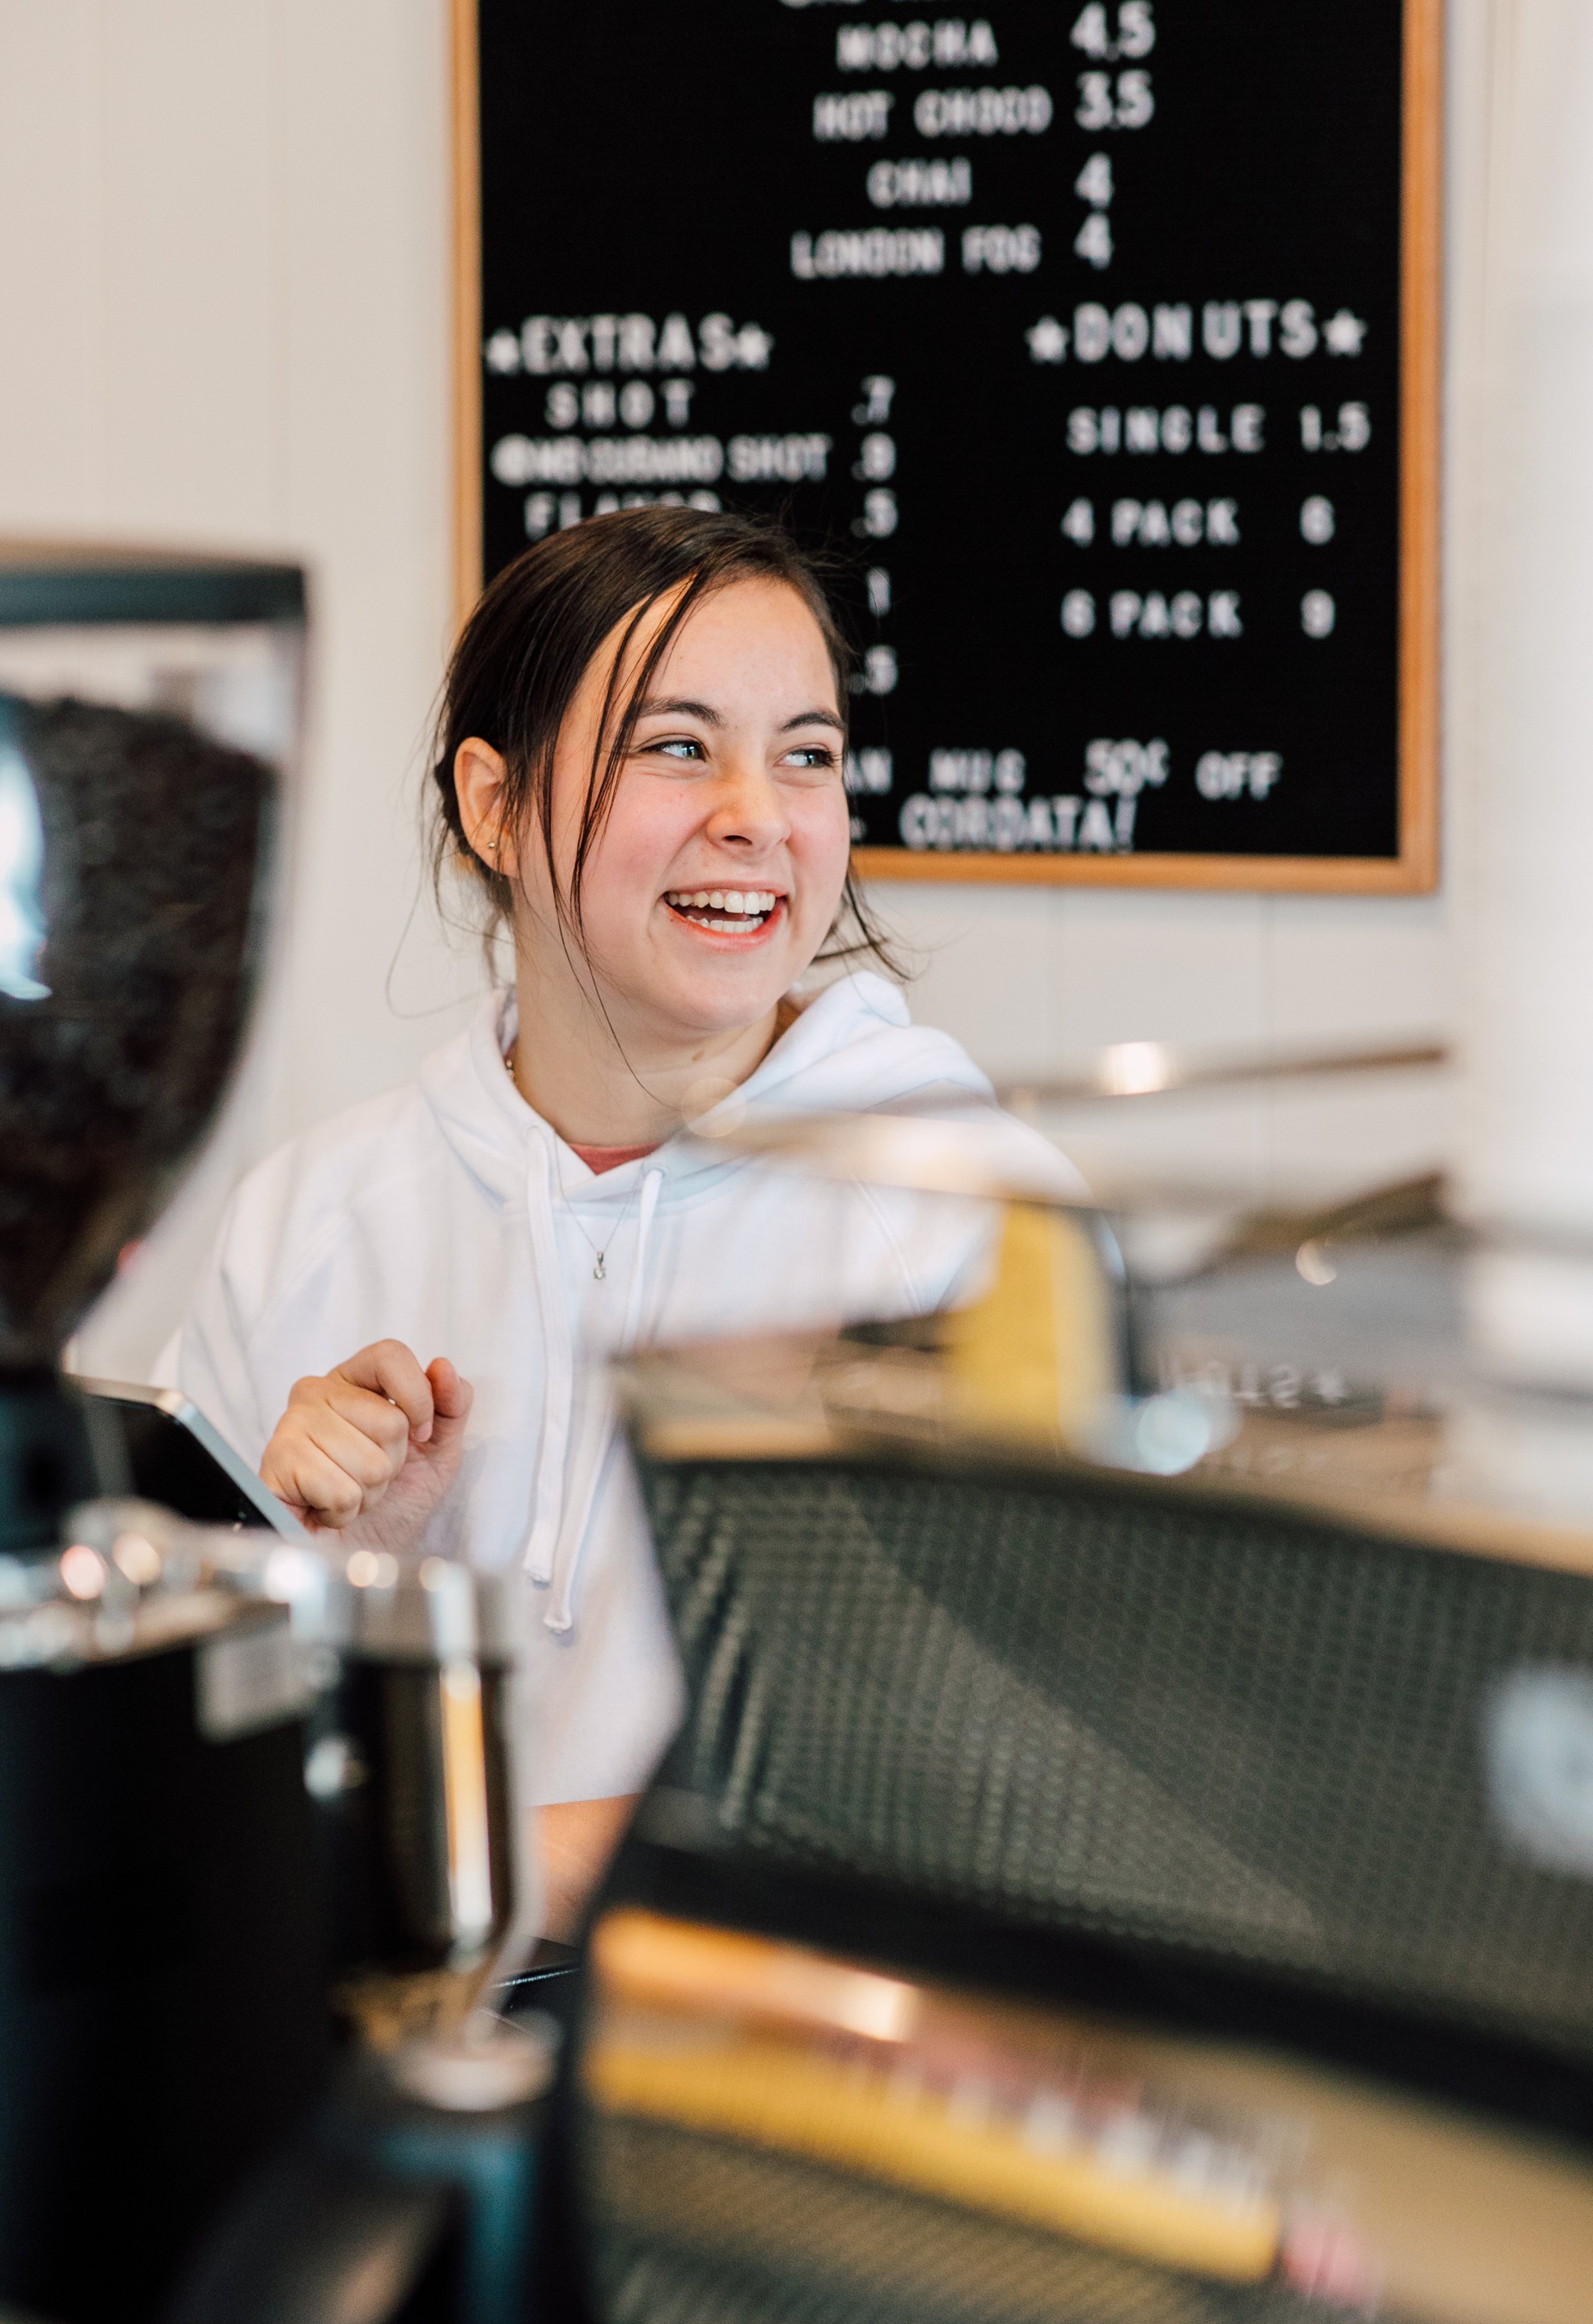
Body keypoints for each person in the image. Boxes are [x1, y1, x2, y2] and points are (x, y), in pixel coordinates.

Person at [163, 507, 1079, 1933]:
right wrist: (333, 1568)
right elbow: (172, 1777)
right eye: (675, 744)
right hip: (367, 2049)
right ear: (495, 805)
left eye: (807, 754)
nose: (757, 816)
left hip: (765, 2070)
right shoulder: (312, 1214)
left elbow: (1014, 1786)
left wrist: (482, 1863)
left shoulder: (957, 1219)